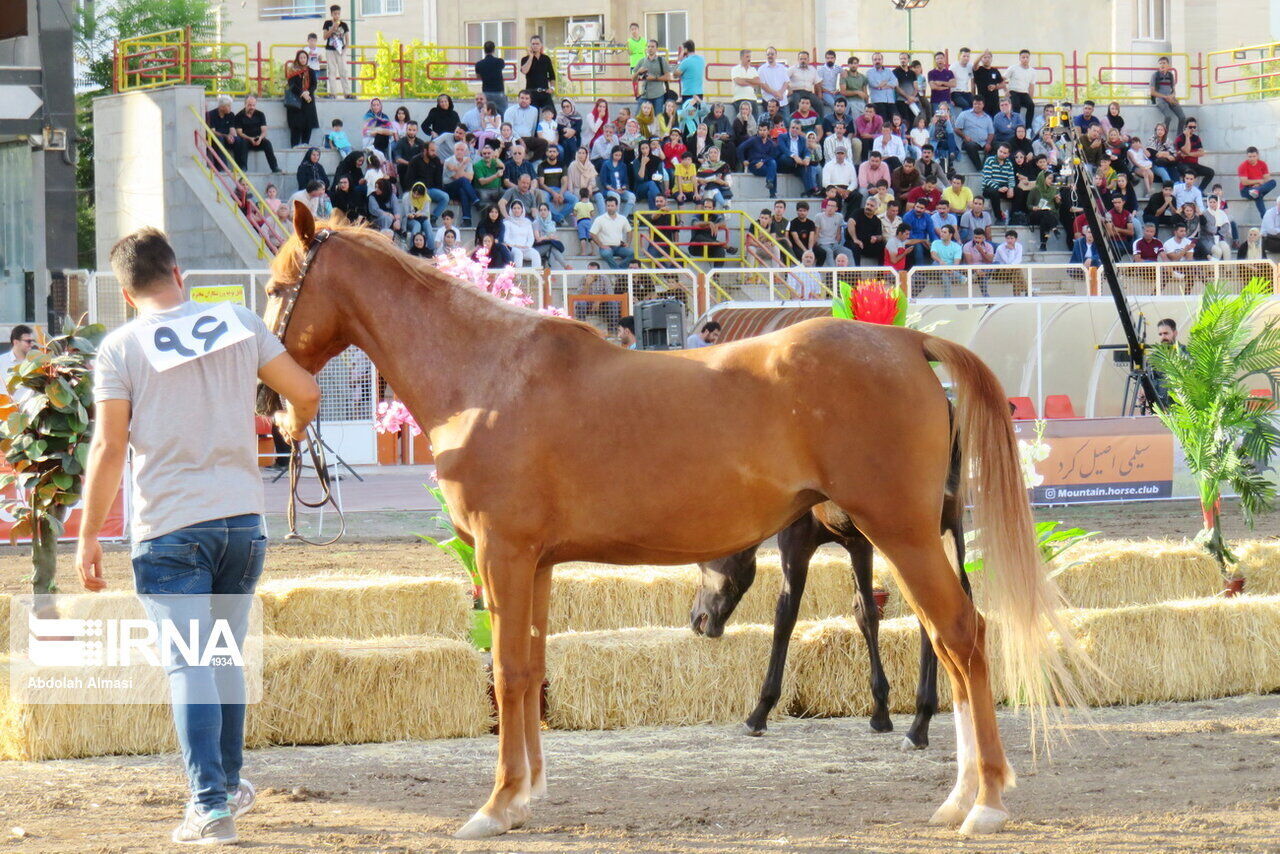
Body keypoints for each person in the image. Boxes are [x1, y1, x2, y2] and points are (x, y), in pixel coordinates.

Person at [78, 228, 319, 846]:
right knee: (221, 657)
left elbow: (108, 448)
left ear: (127, 295)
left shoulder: (121, 346)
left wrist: (87, 535)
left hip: (171, 527)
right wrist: (288, 425)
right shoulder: (236, 319)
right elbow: (307, 391)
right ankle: (230, 784)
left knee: (189, 664)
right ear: (179, 273)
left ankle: (209, 804)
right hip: (243, 522)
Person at [231, 95, 278, 173]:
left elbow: (264, 131)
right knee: (243, 142)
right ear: (245, 104)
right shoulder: (238, 116)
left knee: (267, 143)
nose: (252, 107)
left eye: (253, 105)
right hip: (246, 140)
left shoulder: (260, 114)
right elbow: (239, 133)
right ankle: (243, 167)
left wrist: (260, 138)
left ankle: (274, 167)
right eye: (249, 105)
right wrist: (250, 139)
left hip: (258, 140)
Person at [739, 123, 781, 198]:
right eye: (760, 130)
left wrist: (763, 161)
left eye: (764, 130)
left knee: (773, 163)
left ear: (768, 131)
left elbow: (772, 156)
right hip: (754, 165)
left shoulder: (771, 143)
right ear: (758, 131)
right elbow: (740, 148)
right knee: (772, 170)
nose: (762, 132)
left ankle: (769, 182)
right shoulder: (753, 140)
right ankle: (772, 192)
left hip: (765, 165)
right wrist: (743, 161)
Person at [591, 196, 633, 268]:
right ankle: (619, 273)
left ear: (616, 206)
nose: (610, 208)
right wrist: (601, 245)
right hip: (606, 247)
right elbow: (592, 233)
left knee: (631, 253)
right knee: (606, 254)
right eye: (608, 206)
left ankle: (619, 270)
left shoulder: (622, 218)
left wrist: (628, 243)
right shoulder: (600, 219)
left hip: (619, 247)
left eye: (612, 206)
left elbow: (629, 231)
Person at [443, 141, 479, 226]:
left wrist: (458, 170)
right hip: (449, 188)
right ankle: (475, 200)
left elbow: (470, 177)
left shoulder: (468, 161)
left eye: (462, 150)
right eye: (457, 149)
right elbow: (456, 177)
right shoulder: (448, 161)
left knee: (463, 190)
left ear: (465, 152)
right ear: (454, 151)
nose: (459, 151)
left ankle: (467, 219)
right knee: (463, 180)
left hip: (460, 189)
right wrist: (463, 164)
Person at [633, 39, 672, 115]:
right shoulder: (642, 61)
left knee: (658, 119)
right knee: (638, 118)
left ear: (656, 49)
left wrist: (654, 78)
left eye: (652, 47)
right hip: (645, 95)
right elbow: (633, 80)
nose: (650, 48)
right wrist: (638, 72)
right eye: (648, 47)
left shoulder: (662, 60)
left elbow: (668, 77)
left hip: (658, 95)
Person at [954, 99, 994, 171]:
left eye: (979, 104)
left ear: (983, 105)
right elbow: (957, 129)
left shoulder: (987, 117)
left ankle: (986, 167)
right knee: (970, 145)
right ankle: (979, 168)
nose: (977, 106)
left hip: (983, 142)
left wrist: (988, 143)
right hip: (969, 142)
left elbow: (991, 133)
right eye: (975, 104)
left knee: (996, 145)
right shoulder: (964, 114)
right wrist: (964, 136)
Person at [1174, 118, 1214, 191]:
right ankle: (1186, 190)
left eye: (1194, 127)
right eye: (1190, 127)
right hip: (1182, 164)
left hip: (1194, 164)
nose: (1192, 129)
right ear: (1185, 127)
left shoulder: (1197, 138)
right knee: (1188, 171)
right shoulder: (1180, 138)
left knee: (1210, 172)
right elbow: (1186, 150)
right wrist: (1187, 137)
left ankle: (1199, 191)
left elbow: (1201, 153)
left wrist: (1188, 154)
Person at [1149, 55, 1185, 136]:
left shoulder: (1170, 75)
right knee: (1168, 116)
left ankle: (1179, 138)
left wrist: (1171, 97)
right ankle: (1163, 138)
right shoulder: (1155, 75)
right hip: (1160, 100)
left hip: (1170, 99)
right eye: (1160, 63)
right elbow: (1152, 92)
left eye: (1164, 63)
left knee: (1182, 117)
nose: (1162, 65)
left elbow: (1174, 91)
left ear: (1168, 65)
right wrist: (1166, 97)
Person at [0, 324, 35, 404]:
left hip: (31, 412)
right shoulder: (2, 361)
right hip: (7, 411)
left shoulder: (35, 362)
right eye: (28, 341)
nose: (31, 344)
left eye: (32, 341)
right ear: (16, 342)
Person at [1237, 146, 1275, 217]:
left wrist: (1258, 186)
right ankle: (1265, 218)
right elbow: (1244, 182)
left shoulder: (1262, 164)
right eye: (1250, 157)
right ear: (1247, 156)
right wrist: (1258, 181)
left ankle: (1257, 191)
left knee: (1273, 182)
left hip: (1259, 187)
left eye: (1254, 156)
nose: (1252, 158)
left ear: (1258, 155)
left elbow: (1267, 179)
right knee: (1258, 195)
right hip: (1246, 190)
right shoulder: (1243, 166)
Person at [322, 4, 351, 98]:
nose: (337, 15)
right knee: (332, 71)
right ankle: (333, 93)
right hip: (330, 50)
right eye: (335, 14)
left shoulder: (344, 25)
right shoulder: (327, 23)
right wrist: (333, 29)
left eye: (338, 13)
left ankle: (347, 93)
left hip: (341, 51)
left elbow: (347, 40)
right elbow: (324, 37)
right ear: (331, 14)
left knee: (343, 71)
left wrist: (345, 50)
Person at [520, 35, 556, 111]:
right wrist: (531, 57)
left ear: (541, 45)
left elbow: (552, 76)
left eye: (537, 44)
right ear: (530, 45)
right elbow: (524, 71)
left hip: (544, 92)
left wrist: (552, 88)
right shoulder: (525, 59)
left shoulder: (546, 59)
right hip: (531, 93)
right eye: (533, 44)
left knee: (552, 113)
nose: (535, 46)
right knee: (533, 117)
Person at [1005, 49, 1037, 127]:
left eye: (1027, 57)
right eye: (1023, 57)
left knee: (1031, 105)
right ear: (1020, 58)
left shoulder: (1032, 71)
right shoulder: (1013, 68)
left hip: (1024, 93)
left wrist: (1030, 99)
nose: (1025, 59)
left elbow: (1031, 86)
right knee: (1016, 106)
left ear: (1029, 58)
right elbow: (1003, 79)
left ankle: (1028, 128)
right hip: (1014, 91)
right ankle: (1017, 127)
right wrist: (1006, 91)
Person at [475, 41, 508, 115]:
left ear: (484, 50)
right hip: (499, 92)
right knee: (503, 114)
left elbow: (478, 77)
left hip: (486, 92)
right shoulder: (500, 61)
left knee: (487, 114)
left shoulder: (479, 64)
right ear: (494, 50)